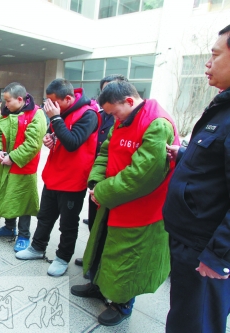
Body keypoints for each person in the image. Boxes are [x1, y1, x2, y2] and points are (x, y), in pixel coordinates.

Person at [71, 81, 178, 326]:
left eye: (114, 112)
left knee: (128, 258)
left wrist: (103, 191)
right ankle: (98, 284)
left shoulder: (157, 124)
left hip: (139, 207)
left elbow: (142, 175)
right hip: (113, 199)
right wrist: (95, 181)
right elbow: (106, 151)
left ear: (129, 101)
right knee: (103, 245)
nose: (112, 118)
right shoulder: (123, 118)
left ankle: (122, 304)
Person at [163, 25, 230, 333]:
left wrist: (218, 255)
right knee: (184, 316)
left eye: (215, 55)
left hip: (206, 251)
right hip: (191, 240)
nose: (207, 63)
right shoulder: (223, 107)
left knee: (195, 323)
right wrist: (184, 153)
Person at [15, 79, 100, 277]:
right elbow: (57, 133)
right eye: (48, 102)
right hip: (53, 175)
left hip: (73, 180)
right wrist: (49, 137)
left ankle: (62, 258)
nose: (49, 106)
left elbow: (72, 142)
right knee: (44, 217)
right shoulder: (61, 112)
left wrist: (55, 119)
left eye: (53, 102)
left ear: (68, 99)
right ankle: (37, 248)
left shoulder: (89, 114)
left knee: (67, 224)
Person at [75, 74, 128, 271]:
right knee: (94, 223)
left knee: (109, 227)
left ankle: (99, 264)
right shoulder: (101, 113)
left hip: (114, 182)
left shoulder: (123, 117)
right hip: (96, 175)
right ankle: (93, 257)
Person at [0, 82, 46, 252]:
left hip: (23, 166)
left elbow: (33, 144)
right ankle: (9, 227)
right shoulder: (6, 114)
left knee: (23, 200)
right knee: (7, 196)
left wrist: (12, 157)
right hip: (5, 163)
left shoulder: (36, 114)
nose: (5, 105)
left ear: (20, 99)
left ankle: (24, 234)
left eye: (8, 101)